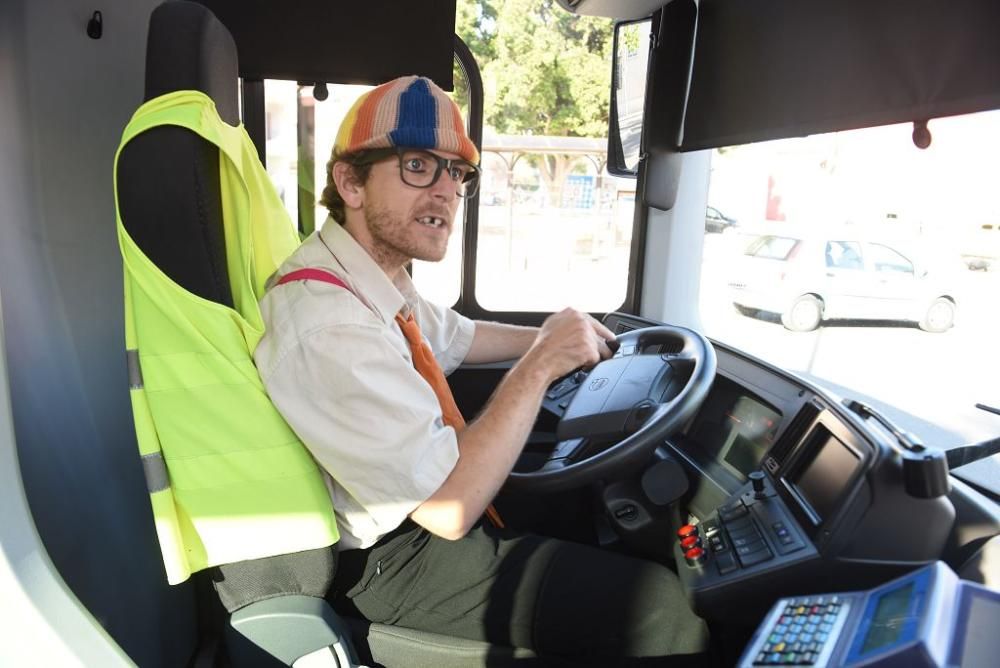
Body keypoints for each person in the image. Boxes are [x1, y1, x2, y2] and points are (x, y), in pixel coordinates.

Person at [254, 75, 709, 665]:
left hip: (418, 504)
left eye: (455, 173)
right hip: (392, 559)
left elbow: (459, 337)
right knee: (660, 611)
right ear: (351, 182)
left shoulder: (368, 276)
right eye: (418, 165)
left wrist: (562, 339)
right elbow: (447, 508)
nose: (445, 190)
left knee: (592, 517)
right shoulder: (328, 322)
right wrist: (544, 361)